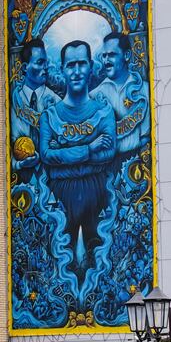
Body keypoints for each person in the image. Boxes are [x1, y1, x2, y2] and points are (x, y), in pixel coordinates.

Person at [38, 40, 116, 273]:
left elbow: (109, 152)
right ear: (62, 69)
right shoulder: (49, 116)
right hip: (60, 194)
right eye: (70, 65)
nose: (77, 71)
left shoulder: (103, 111)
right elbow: (47, 155)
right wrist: (89, 148)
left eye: (82, 64)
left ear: (91, 66)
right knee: (62, 259)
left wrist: (65, 154)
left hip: (97, 191)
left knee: (98, 259)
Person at [92, 31, 151, 161]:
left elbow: (146, 137)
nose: (106, 61)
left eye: (112, 55)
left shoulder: (145, 90)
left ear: (127, 55)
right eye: (104, 56)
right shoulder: (94, 95)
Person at [10, 39, 57, 180]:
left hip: (51, 180)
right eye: (39, 63)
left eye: (46, 62)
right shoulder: (14, 101)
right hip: (21, 181)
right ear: (25, 67)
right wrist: (18, 164)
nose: (45, 67)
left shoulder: (56, 101)